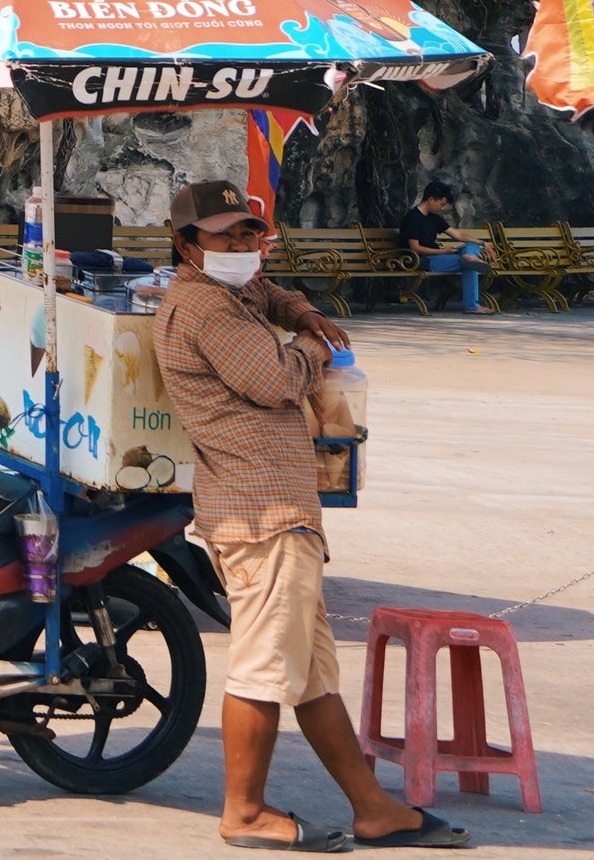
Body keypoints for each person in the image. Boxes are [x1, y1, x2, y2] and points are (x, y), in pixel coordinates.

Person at [154, 179, 461, 851]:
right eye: (224, 234)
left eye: (249, 232)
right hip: (258, 510)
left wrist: (300, 309)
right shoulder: (208, 310)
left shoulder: (232, 291)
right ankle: (244, 810)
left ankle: (372, 806)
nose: (242, 245)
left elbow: (267, 292)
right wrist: (318, 346)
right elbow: (280, 381)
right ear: (187, 244)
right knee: (264, 665)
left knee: (313, 671)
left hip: (280, 508)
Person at [395, 180, 486, 315]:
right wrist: (443, 251)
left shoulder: (434, 218)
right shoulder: (412, 218)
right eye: (441, 204)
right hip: (421, 259)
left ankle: (470, 256)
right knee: (468, 264)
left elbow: (457, 234)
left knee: (472, 246)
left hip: (437, 256)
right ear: (431, 199)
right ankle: (472, 306)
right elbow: (415, 248)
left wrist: (483, 243)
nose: (442, 208)